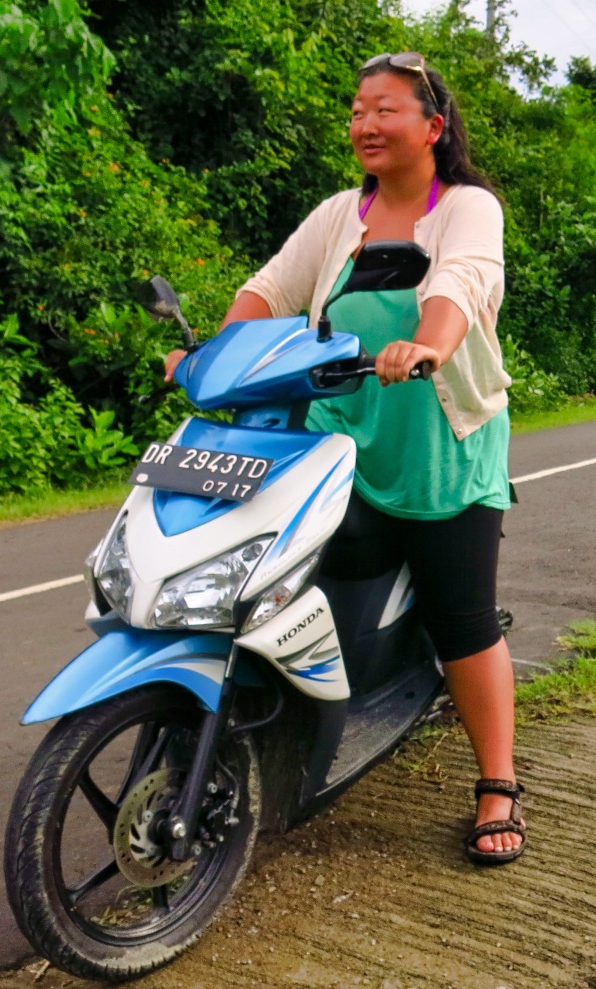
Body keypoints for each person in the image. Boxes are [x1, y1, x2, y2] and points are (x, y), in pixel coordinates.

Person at [164, 52, 524, 864]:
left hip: (438, 441)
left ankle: (498, 783)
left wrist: (427, 345)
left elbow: (460, 286)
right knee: (261, 571)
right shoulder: (339, 215)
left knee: (461, 617)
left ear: (432, 127)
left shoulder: (465, 208)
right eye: (358, 109)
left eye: (385, 109)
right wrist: (212, 356)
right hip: (336, 439)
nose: (364, 123)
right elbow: (269, 291)